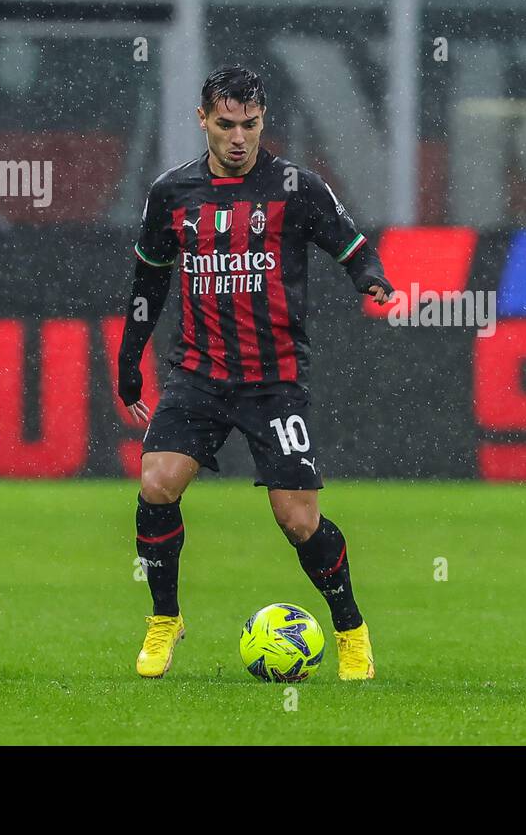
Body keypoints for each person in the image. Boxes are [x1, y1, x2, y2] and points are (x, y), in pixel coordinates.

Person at [116, 65, 393, 680]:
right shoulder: (171, 193)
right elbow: (148, 280)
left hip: (274, 378)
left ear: (263, 120)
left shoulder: (297, 187)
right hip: (198, 372)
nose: (238, 137)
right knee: (157, 481)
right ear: (202, 120)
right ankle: (164, 620)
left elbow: (349, 242)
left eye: (250, 124)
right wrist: (129, 357)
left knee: (298, 519)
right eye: (225, 124)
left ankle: (350, 627)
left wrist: (368, 277)